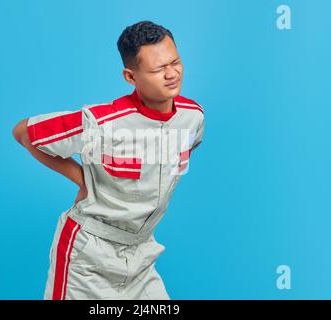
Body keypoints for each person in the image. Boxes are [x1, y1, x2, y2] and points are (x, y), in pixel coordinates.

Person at [13, 20, 205, 300]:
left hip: (141, 254)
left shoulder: (193, 117)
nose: (171, 74)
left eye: (175, 62)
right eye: (158, 69)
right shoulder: (104, 123)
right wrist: (83, 179)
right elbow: (24, 132)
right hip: (88, 257)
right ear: (130, 76)